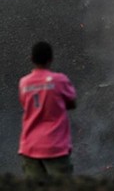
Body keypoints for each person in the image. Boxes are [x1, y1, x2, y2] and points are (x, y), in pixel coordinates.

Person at [18, 41, 77, 181]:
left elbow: (26, 105)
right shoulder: (59, 80)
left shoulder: (24, 83)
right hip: (54, 146)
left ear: (31, 59)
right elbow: (72, 102)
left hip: (30, 146)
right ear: (51, 59)